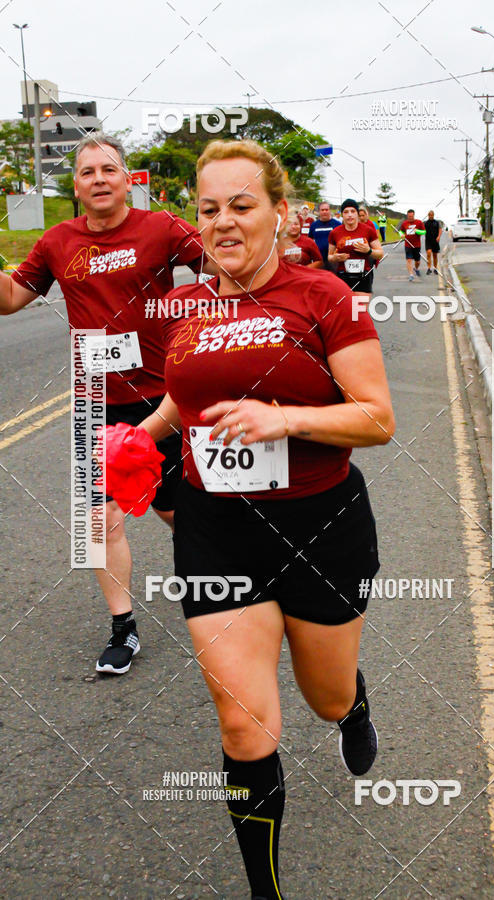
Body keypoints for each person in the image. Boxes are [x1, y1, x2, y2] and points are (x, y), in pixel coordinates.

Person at [134, 139, 395, 900]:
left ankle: (354, 701)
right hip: (215, 527)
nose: (223, 222)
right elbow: (186, 398)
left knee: (325, 699)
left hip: (321, 525)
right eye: (208, 208)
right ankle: (265, 892)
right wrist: (137, 438)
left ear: (279, 214)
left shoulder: (325, 298)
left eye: (241, 205)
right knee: (244, 724)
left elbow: (377, 419)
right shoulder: (182, 306)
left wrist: (286, 420)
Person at [0, 132, 209, 676]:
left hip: (166, 396)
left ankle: (225, 581)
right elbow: (10, 300)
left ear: (126, 179)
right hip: (96, 402)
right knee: (99, 521)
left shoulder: (161, 227)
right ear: (76, 185)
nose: (98, 179)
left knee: (176, 509)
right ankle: (124, 628)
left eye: (108, 170)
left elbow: (219, 262)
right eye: (87, 171)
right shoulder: (56, 241)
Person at [328, 198, 383, 296]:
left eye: (353, 211)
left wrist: (369, 251)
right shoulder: (334, 233)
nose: (349, 215)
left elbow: (380, 254)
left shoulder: (368, 230)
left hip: (363, 276)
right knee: (346, 310)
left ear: (357, 214)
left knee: (360, 310)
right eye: (346, 212)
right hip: (342, 276)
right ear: (342, 215)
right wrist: (335, 258)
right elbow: (329, 257)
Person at [308, 201, 341, 267]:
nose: (324, 212)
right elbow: (310, 240)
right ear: (319, 211)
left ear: (329, 211)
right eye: (322, 210)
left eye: (326, 210)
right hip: (319, 260)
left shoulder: (337, 224)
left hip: (334, 260)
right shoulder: (314, 225)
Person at [398, 209, 426, 281]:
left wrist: (417, 231)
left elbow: (424, 232)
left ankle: (416, 268)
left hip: (416, 245)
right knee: (409, 260)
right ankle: (411, 275)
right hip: (408, 245)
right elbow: (401, 231)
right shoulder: (404, 223)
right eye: (409, 216)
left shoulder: (419, 222)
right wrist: (401, 234)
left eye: (411, 216)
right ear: (407, 216)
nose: (410, 218)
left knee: (417, 261)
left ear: (414, 215)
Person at [424, 210, 443, 274]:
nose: (431, 216)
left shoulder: (437, 222)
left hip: (435, 240)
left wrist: (439, 237)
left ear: (433, 215)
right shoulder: (425, 223)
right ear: (428, 215)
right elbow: (422, 230)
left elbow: (440, 230)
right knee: (429, 253)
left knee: (435, 255)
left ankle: (435, 268)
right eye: (430, 215)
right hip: (428, 240)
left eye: (432, 215)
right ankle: (429, 268)